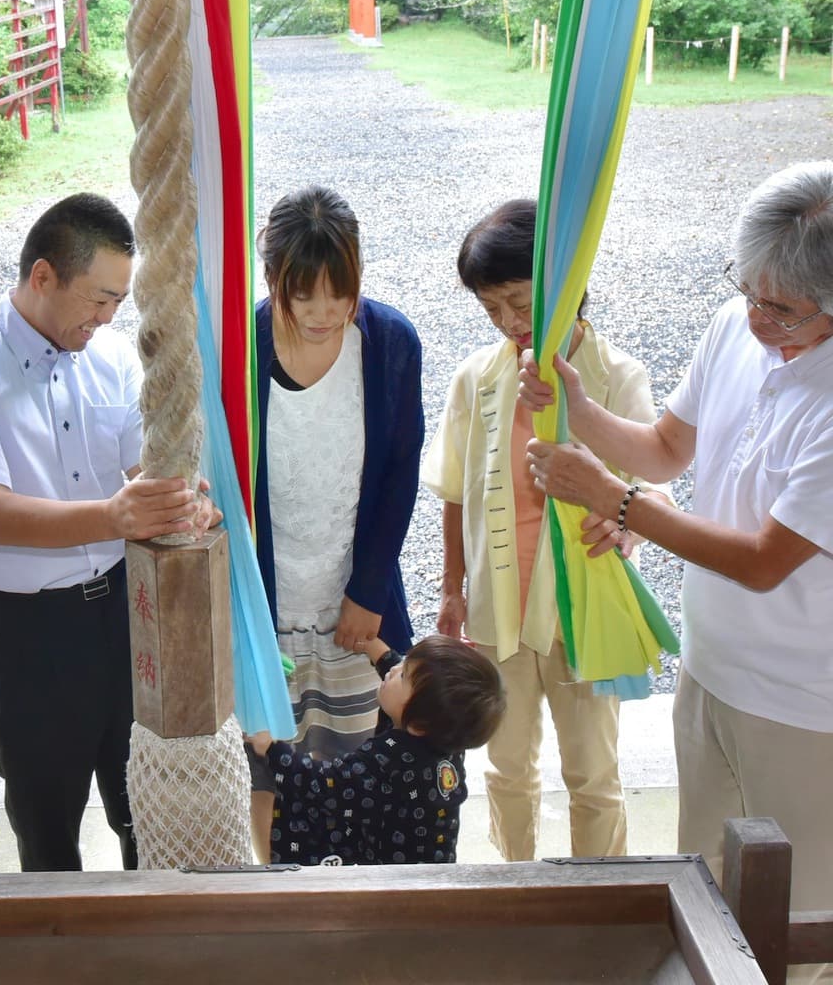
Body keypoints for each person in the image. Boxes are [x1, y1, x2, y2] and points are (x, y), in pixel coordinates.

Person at [521, 162, 833, 983]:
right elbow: (667, 447)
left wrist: (619, 504)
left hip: (805, 708)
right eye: (750, 291)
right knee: (707, 902)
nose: (759, 318)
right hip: (711, 671)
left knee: (795, 933)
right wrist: (580, 409)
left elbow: (765, 562)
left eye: (785, 310)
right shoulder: (737, 323)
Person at [0, 192, 213, 872]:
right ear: (42, 277)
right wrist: (116, 515)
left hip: (123, 615)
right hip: (27, 638)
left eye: (119, 301)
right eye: (100, 299)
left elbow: (149, 470)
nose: (109, 317)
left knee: (152, 812)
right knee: (48, 836)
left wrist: (184, 504)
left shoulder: (110, 356)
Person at [423, 199, 655, 861]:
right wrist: (451, 585)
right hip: (501, 607)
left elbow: (651, 485)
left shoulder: (616, 376)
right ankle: (515, 886)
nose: (509, 322)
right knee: (505, 769)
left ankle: (598, 898)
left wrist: (627, 526)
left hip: (585, 610)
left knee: (592, 774)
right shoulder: (477, 376)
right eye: (492, 309)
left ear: (565, 285)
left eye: (520, 303)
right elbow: (452, 489)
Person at [248, 186, 424, 861]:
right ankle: (271, 902)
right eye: (304, 296)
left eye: (339, 292)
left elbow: (399, 475)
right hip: (268, 605)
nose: (323, 313)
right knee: (266, 767)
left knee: (365, 770)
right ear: (274, 283)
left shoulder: (390, 342)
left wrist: (369, 593)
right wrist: (247, 612)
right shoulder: (243, 348)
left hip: (355, 603)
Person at [248, 633, 505, 866]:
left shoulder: (392, 758)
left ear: (418, 723)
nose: (394, 670)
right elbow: (411, 694)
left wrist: (273, 750)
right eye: (403, 662)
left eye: (404, 675)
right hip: (434, 874)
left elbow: (326, 784)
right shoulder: (447, 738)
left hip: (395, 886)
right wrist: (381, 654)